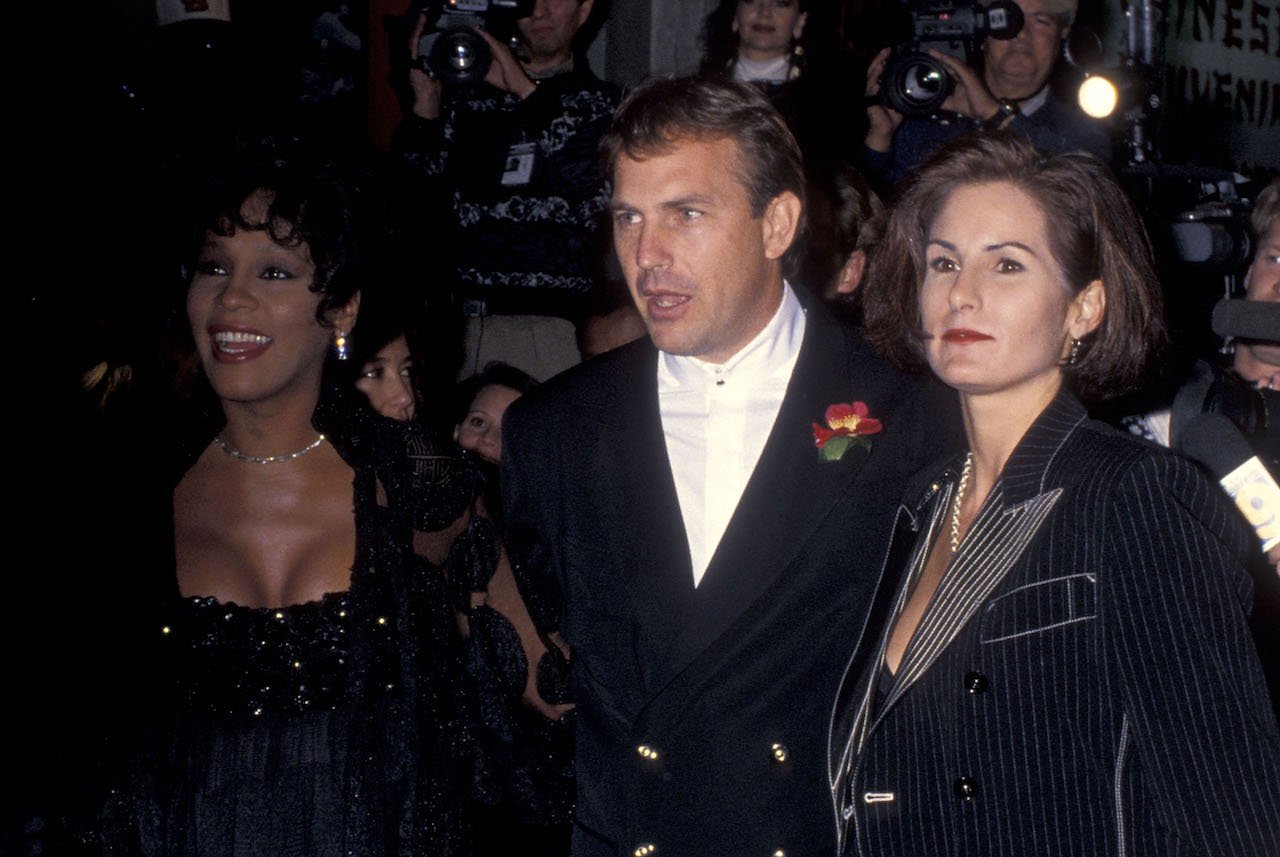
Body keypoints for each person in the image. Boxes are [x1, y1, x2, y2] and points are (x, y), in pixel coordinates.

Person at [501, 76, 958, 857]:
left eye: (686, 213)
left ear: (777, 221)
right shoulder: (553, 430)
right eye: (628, 217)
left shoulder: (915, 415)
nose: (647, 255)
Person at [831, 133, 1280, 856]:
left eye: (1007, 263)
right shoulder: (923, 501)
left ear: (1085, 308)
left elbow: (1234, 813)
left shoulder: (1132, 496)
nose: (961, 291)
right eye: (943, 262)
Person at [96, 136, 489, 856]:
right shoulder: (128, 492)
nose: (231, 298)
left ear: (340, 311)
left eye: (273, 271)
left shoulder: (412, 479)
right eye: (214, 266)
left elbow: (545, 700)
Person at [393, 0, 621, 383]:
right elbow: (410, 201)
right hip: (457, 326)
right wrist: (425, 110)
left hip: (550, 330)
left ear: (584, 11)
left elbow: (587, 178)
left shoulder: (604, 104)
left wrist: (523, 92)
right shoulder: (467, 99)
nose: (540, 10)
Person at [860, 0, 1111, 192]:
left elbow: (1090, 186)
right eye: (1005, 20)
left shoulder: (1079, 132)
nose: (1021, 33)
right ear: (982, 35)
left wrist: (996, 117)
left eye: (1041, 21)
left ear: (1062, 36)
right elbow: (876, 211)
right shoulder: (929, 116)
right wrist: (880, 138)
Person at [699, 0, 850, 168]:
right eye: (751, 1)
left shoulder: (827, 100)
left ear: (800, 20)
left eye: (781, 3)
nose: (765, 12)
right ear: (734, 14)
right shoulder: (703, 90)